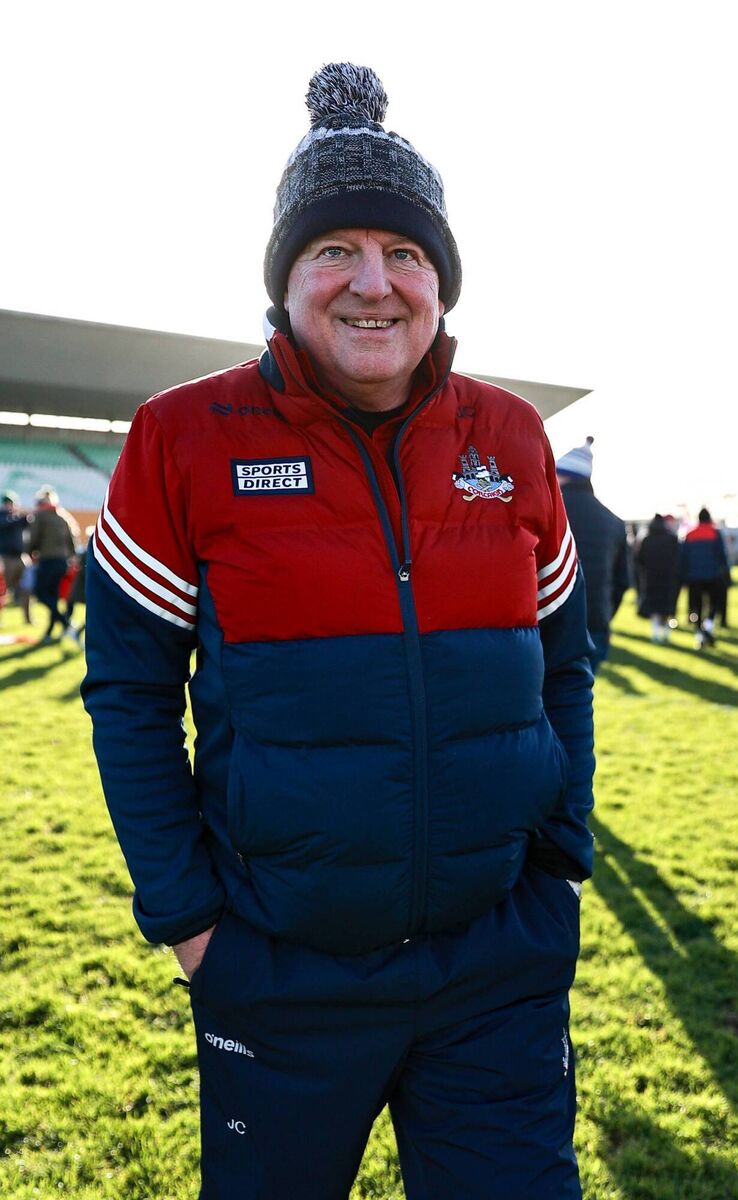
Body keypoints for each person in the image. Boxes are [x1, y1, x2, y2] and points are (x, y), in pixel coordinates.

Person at [82, 63, 595, 1200]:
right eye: (334, 250)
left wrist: (559, 868)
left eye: (405, 252)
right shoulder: (181, 436)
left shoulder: (512, 436)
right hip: (280, 976)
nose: (374, 282)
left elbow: (565, 665)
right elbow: (128, 692)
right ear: (284, 278)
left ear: (441, 281)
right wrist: (193, 925)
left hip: (499, 970)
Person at [555, 435, 629, 671]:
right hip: (595, 621)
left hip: (552, 621)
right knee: (583, 688)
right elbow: (623, 581)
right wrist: (605, 614)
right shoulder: (613, 522)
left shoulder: (549, 513)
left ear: (564, 475)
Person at [28, 486, 80, 643]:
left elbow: (33, 538)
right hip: (62, 562)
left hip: (47, 560)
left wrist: (29, 552)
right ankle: (49, 632)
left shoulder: (40, 516)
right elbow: (73, 540)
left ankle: (66, 624)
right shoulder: (63, 516)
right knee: (53, 596)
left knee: (41, 594)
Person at [678, 507, 729, 650]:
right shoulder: (715, 533)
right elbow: (722, 556)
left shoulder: (689, 534)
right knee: (713, 604)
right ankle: (708, 627)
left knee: (696, 607)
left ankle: (699, 634)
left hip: (694, 578)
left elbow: (683, 558)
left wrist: (683, 576)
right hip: (713, 576)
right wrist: (725, 573)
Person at [635, 513, 679, 642]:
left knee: (654, 607)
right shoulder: (672, 539)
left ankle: (655, 633)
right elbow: (678, 558)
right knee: (666, 607)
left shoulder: (646, 540)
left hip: (651, 578)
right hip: (668, 578)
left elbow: (639, 559)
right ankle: (666, 634)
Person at [0, 490, 31, 606]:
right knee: (5, 586)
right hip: (6, 557)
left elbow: (29, 523)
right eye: (7, 503)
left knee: (25, 586)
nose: (9, 506)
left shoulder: (17, 517)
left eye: (11, 503)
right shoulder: (3, 516)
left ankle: (23, 611)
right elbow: (6, 523)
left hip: (21, 556)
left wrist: (26, 516)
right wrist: (20, 516)